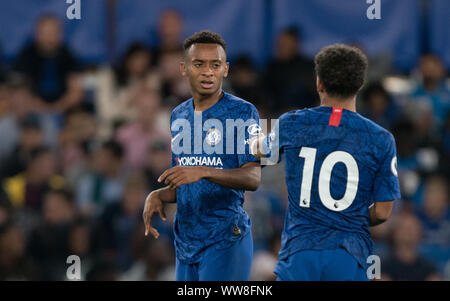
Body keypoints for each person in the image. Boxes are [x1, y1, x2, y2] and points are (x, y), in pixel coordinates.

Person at [251, 44, 401, 280]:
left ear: (319, 82)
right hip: (348, 253)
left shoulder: (293, 123)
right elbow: (382, 212)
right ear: (360, 84)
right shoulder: (381, 139)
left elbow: (259, 153)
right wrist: (348, 217)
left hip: (300, 252)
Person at [142, 31, 261, 281]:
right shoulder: (178, 115)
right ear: (184, 68)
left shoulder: (243, 111)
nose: (208, 71)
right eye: (199, 64)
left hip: (225, 238)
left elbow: (253, 177)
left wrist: (204, 170)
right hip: (186, 242)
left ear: (225, 69)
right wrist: (159, 195)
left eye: (215, 65)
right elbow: (185, 182)